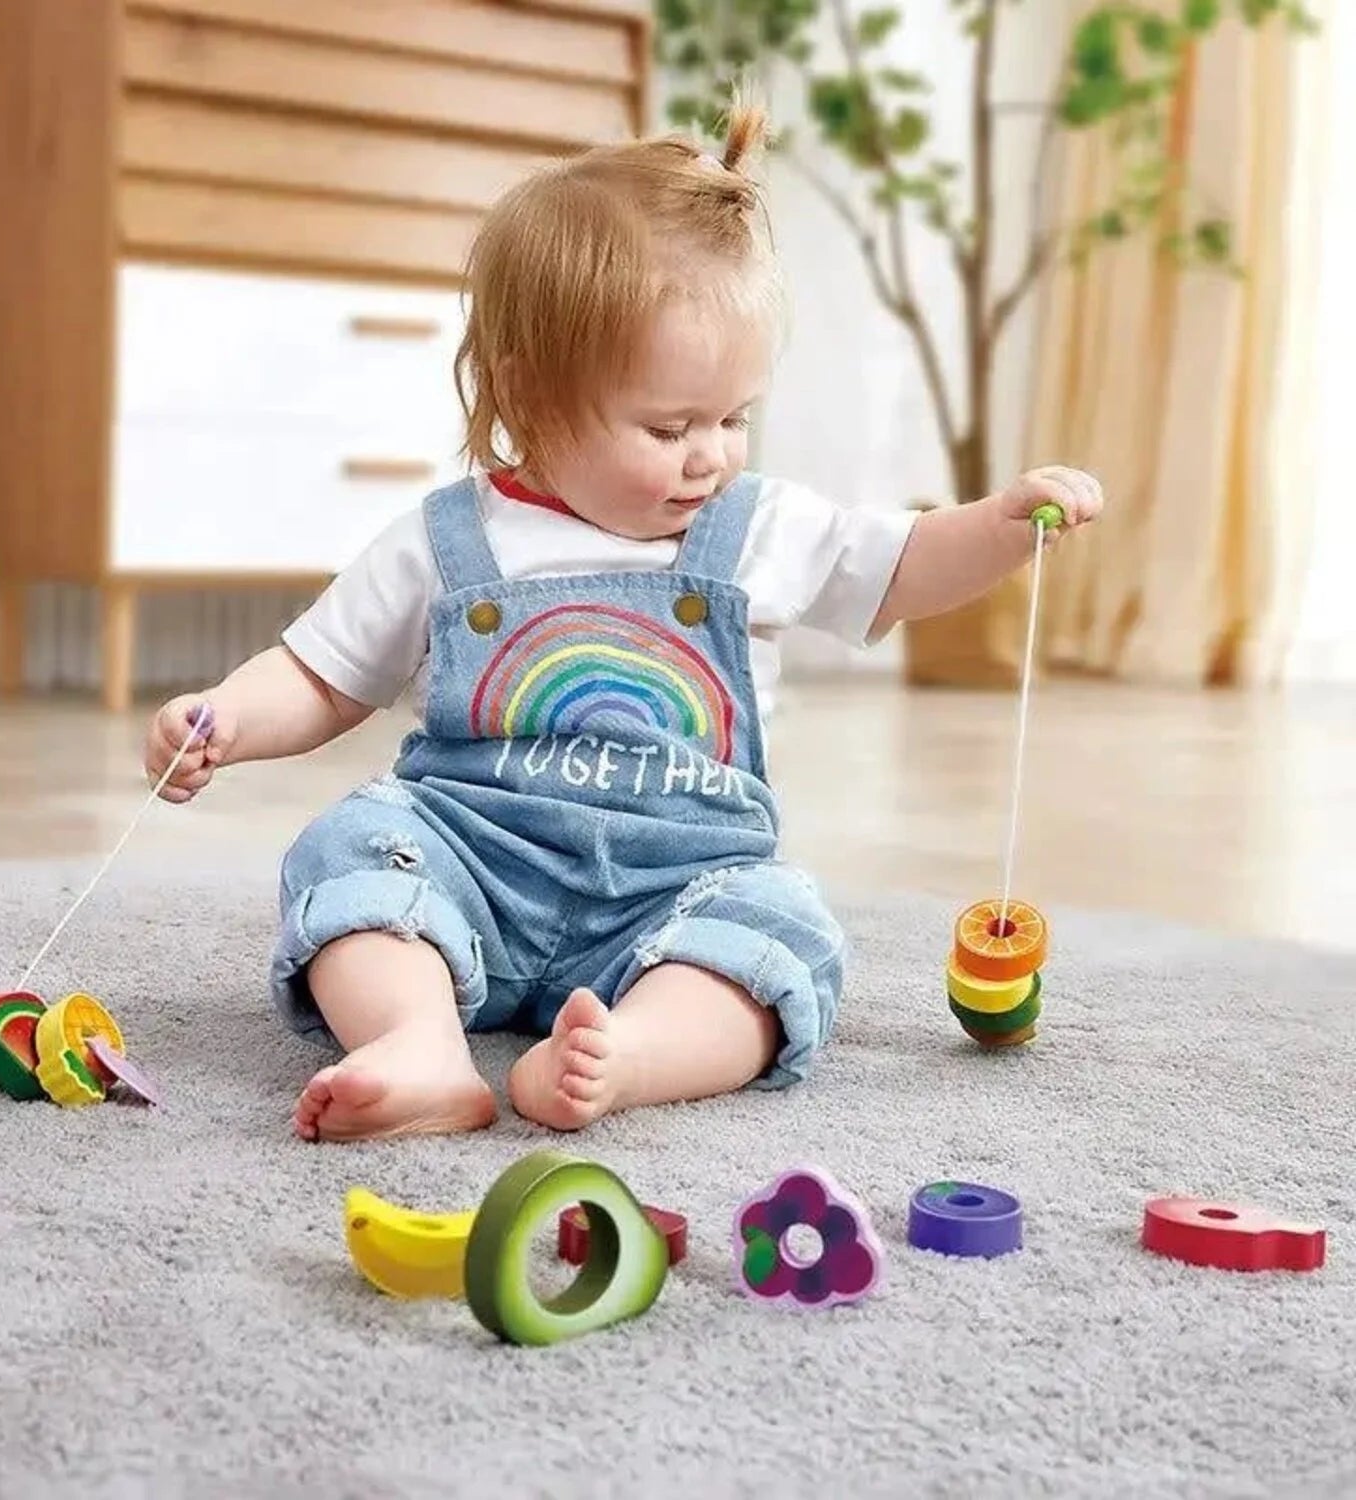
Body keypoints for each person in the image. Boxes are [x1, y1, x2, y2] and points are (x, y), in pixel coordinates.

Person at [142, 103, 1103, 1143]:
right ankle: (417, 1043)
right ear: (530, 395)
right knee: (347, 854)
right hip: (468, 867)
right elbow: (321, 673)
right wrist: (226, 718)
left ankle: (630, 1056)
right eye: (668, 426)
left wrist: (1001, 527)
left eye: (733, 418)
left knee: (780, 930)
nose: (711, 455)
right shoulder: (448, 540)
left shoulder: (757, 528)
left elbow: (902, 564)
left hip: (676, 889)